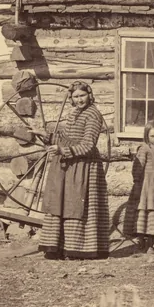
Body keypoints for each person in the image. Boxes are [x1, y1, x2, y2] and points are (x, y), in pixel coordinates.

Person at [39, 81, 110, 260]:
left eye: (82, 95)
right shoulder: (74, 114)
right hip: (69, 165)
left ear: (89, 95)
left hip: (85, 166)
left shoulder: (93, 114)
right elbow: (65, 138)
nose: (79, 100)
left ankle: (80, 249)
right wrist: (45, 135)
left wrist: (62, 151)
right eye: (75, 96)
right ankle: (58, 248)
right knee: (63, 203)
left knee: (79, 206)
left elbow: (88, 145)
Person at [124, 120, 154, 254]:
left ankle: (151, 243)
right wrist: (137, 182)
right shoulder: (144, 149)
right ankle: (140, 240)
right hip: (145, 184)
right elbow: (138, 167)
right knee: (143, 209)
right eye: (152, 136)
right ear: (147, 136)